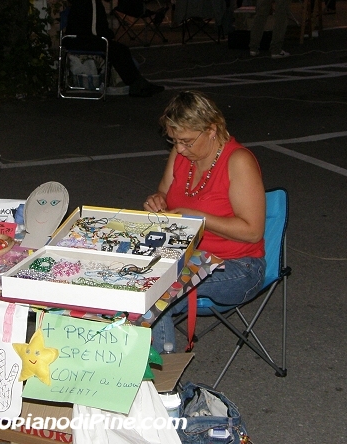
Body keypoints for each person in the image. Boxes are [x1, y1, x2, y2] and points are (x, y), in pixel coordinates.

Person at [143, 91, 266, 353]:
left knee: (155, 292)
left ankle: (161, 377)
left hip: (237, 266)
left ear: (211, 130)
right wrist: (158, 201)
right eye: (174, 140)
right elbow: (164, 192)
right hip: (183, 257)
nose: (178, 149)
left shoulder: (238, 161)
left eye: (186, 141)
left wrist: (200, 219)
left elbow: (253, 232)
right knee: (133, 280)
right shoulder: (182, 156)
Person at [65, 0, 165, 97]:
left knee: (120, 49)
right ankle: (136, 84)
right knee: (118, 50)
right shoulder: (91, 2)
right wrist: (109, 34)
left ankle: (137, 83)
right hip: (82, 40)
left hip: (79, 39)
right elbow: (96, 30)